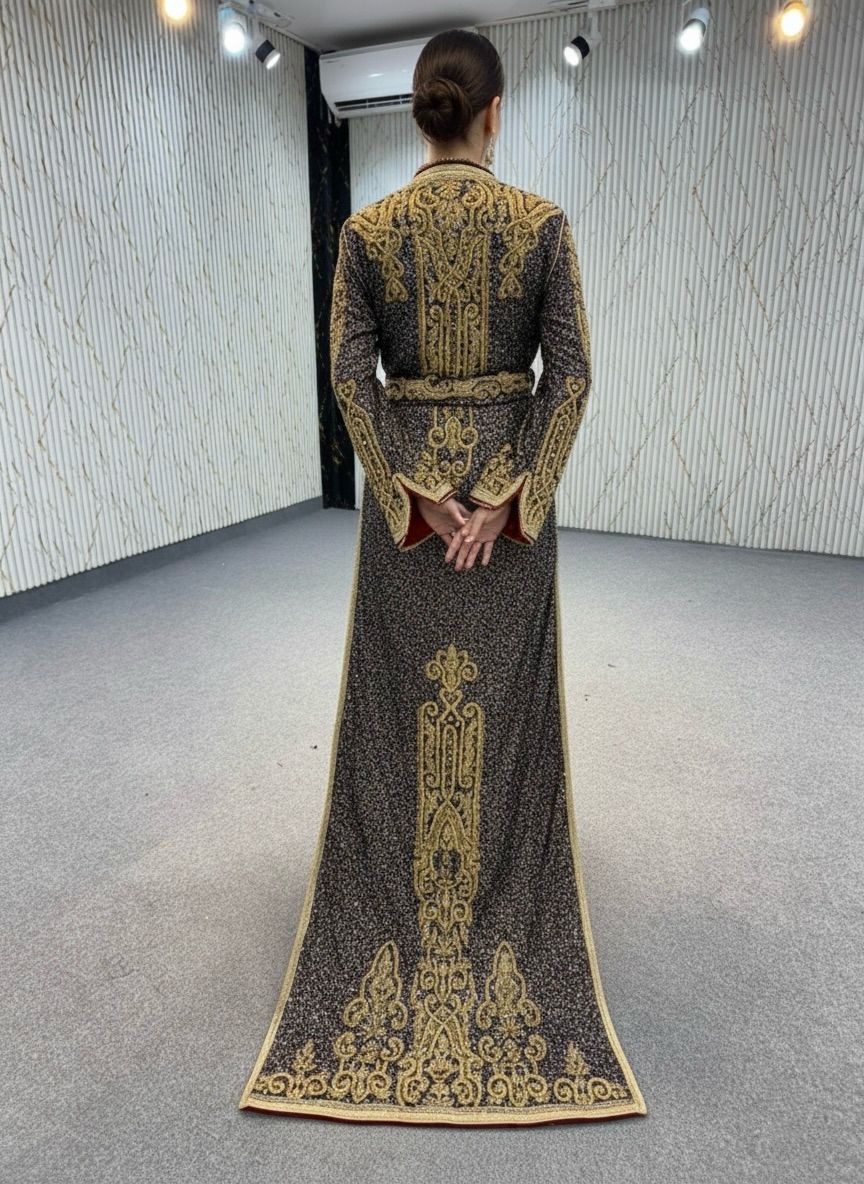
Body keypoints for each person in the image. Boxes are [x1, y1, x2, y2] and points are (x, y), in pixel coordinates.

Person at [238, 27, 647, 1125]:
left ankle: (400, 906)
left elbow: (348, 376)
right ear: (494, 112)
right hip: (507, 520)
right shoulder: (543, 225)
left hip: (411, 521)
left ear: (421, 111)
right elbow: (571, 376)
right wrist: (512, 493)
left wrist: (411, 493)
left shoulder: (366, 232)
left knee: (401, 704)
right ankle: (499, 903)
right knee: (502, 706)